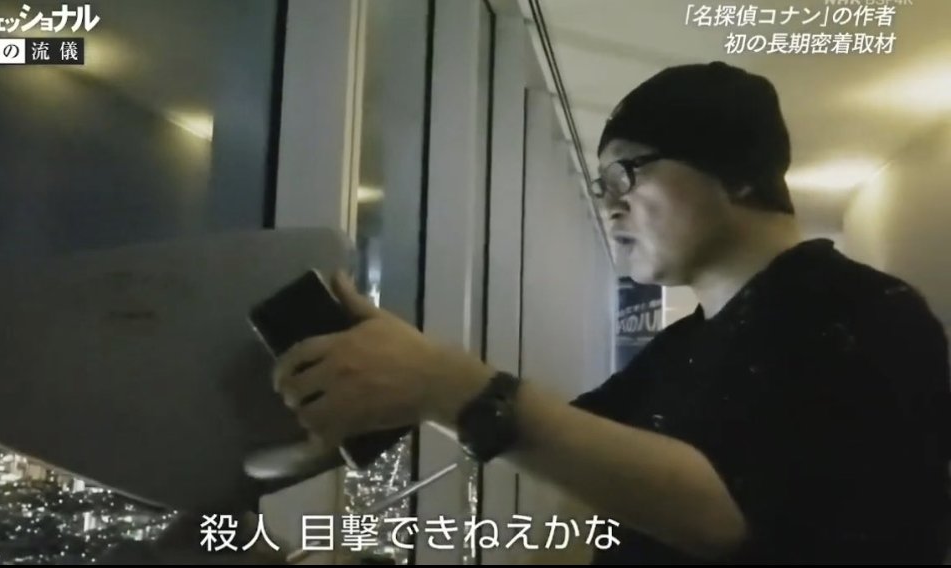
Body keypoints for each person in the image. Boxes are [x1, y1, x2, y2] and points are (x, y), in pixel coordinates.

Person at [271, 61, 951, 564]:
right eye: (601, 186)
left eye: (626, 173)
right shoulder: (681, 348)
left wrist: (449, 385)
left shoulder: (868, 314)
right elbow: (577, 457)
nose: (609, 205)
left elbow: (727, 515)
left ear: (738, 170)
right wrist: (398, 389)